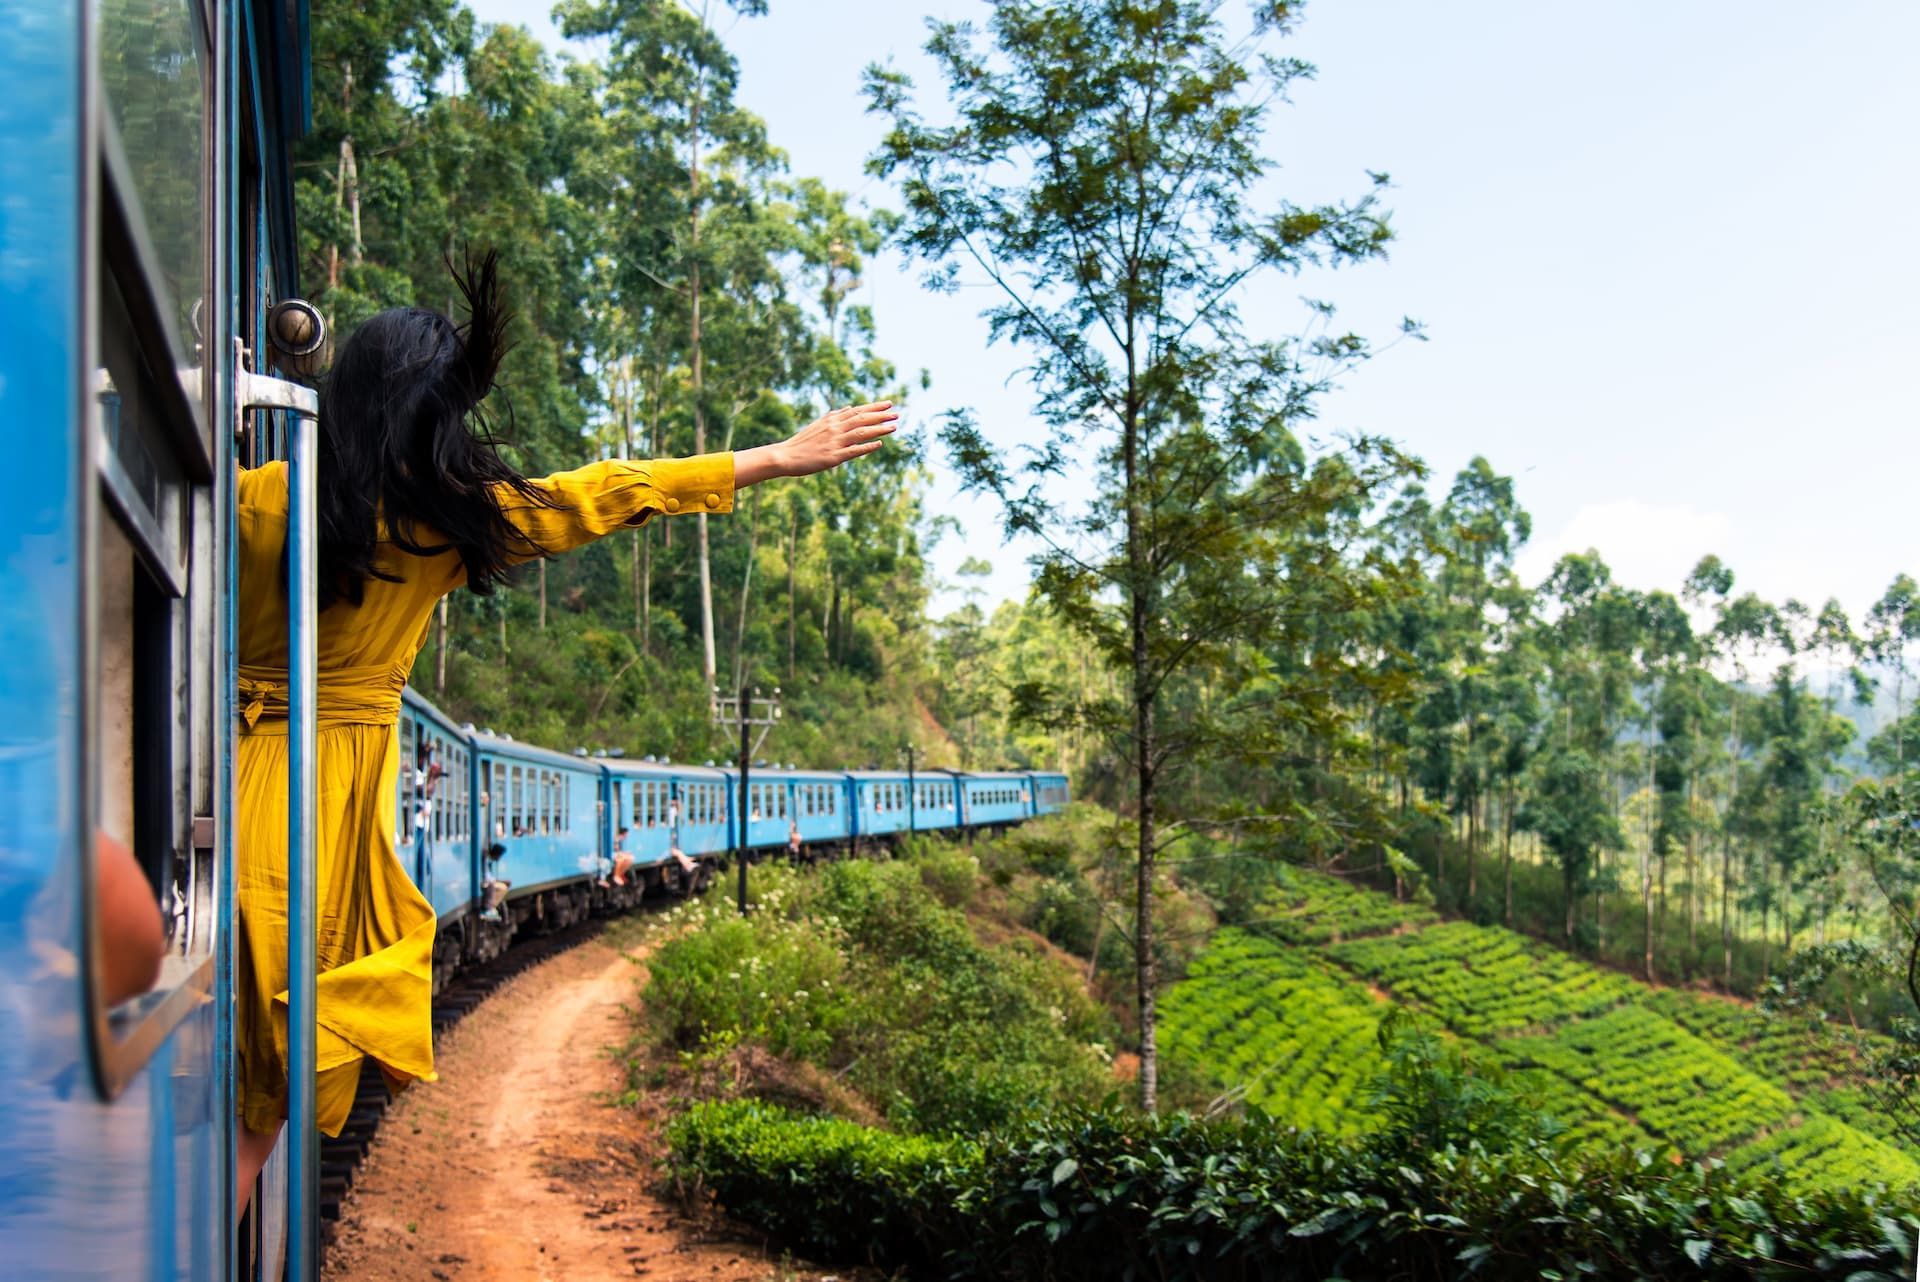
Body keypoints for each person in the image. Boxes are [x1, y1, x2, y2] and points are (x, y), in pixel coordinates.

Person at [230, 251, 897, 1211]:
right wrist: (771, 458)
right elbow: (606, 491)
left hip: (216, 766)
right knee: (275, 1063)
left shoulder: (255, 502)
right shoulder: (441, 529)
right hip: (319, 802)